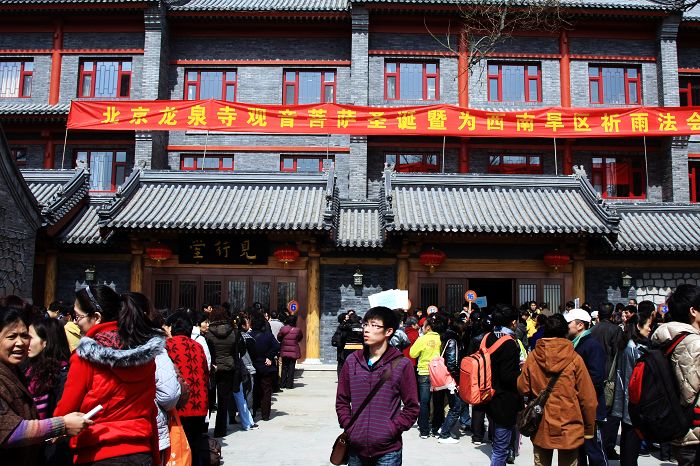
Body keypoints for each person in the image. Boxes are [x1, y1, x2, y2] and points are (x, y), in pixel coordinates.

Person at [55, 285, 163, 465]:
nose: (74, 322)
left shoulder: (85, 356)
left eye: (77, 316)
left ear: (96, 317)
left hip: (98, 450)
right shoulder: (145, 354)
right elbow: (150, 406)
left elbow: (68, 407)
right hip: (141, 450)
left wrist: (54, 428)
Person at [0, 306, 92, 466]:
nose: (20, 343)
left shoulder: (15, 371)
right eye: (11, 336)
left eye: (24, 335)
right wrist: (62, 424)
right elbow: (10, 432)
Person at [336, 306, 419, 466]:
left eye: (374, 326)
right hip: (356, 448)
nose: (367, 330)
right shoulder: (352, 361)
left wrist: (391, 430)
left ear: (388, 331)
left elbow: (411, 407)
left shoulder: (402, 365)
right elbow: (342, 400)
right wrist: (348, 425)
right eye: (365, 324)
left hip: (388, 451)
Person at [518, 314, 597, 466]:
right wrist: (588, 429)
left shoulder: (533, 356)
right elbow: (588, 399)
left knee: (541, 462)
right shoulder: (575, 358)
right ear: (565, 332)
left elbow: (522, 387)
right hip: (569, 421)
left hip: (541, 421)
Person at [651, 284, 700, 464]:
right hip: (694, 430)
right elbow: (689, 393)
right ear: (693, 311)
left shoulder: (666, 338)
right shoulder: (694, 343)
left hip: (677, 426)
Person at [131, 292, 181, 466]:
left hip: (102, 435)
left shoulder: (93, 346)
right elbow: (169, 395)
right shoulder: (154, 345)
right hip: (148, 426)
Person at [480, 304, 522, 466]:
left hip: (488, 393)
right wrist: (521, 373)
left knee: (497, 442)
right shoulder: (509, 343)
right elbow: (507, 376)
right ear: (512, 323)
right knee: (500, 450)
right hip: (505, 398)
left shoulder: (488, 337)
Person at [566, 309, 608, 466]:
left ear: (580, 325)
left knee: (594, 450)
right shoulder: (575, 344)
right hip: (578, 407)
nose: (566, 327)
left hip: (592, 408)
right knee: (580, 451)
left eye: (569, 323)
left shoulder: (591, 346)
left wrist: (574, 387)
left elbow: (596, 378)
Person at [611, 310, 653, 466]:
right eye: (648, 325)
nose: (650, 329)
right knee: (632, 441)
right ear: (638, 326)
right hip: (634, 399)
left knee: (628, 438)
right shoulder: (635, 348)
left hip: (625, 398)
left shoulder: (626, 344)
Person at [590, 301, 624, 460]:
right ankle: (608, 446)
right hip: (609, 375)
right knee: (610, 414)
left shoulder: (591, 330)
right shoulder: (615, 330)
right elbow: (618, 352)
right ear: (612, 315)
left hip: (592, 374)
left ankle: (596, 443)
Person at [206, 306, 245, 437]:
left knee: (209, 399)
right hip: (228, 367)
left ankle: (204, 427)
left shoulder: (208, 332)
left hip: (213, 368)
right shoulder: (233, 331)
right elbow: (241, 349)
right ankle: (220, 429)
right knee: (223, 400)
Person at [409, 314, 444, 439]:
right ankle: (436, 429)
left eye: (423, 326)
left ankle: (424, 431)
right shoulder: (440, 338)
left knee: (424, 402)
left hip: (424, 372)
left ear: (428, 327)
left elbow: (412, 354)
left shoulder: (422, 339)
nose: (422, 328)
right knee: (438, 402)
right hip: (439, 373)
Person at [437, 319, 470, 444]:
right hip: (451, 378)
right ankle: (444, 434)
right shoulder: (453, 341)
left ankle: (443, 429)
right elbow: (452, 363)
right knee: (456, 407)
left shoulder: (447, 338)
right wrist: (458, 379)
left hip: (448, 377)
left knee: (453, 405)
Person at [250, 310, 280, 421]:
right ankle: (265, 415)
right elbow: (277, 346)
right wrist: (269, 356)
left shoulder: (248, 336)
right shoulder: (268, 336)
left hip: (253, 366)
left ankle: (252, 413)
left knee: (253, 391)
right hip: (266, 366)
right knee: (266, 391)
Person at [278, 314, 303, 389]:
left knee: (284, 367)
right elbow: (300, 338)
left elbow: (279, 337)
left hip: (285, 350)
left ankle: (282, 384)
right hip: (293, 351)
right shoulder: (298, 330)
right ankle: (289, 385)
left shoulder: (283, 329)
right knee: (291, 368)